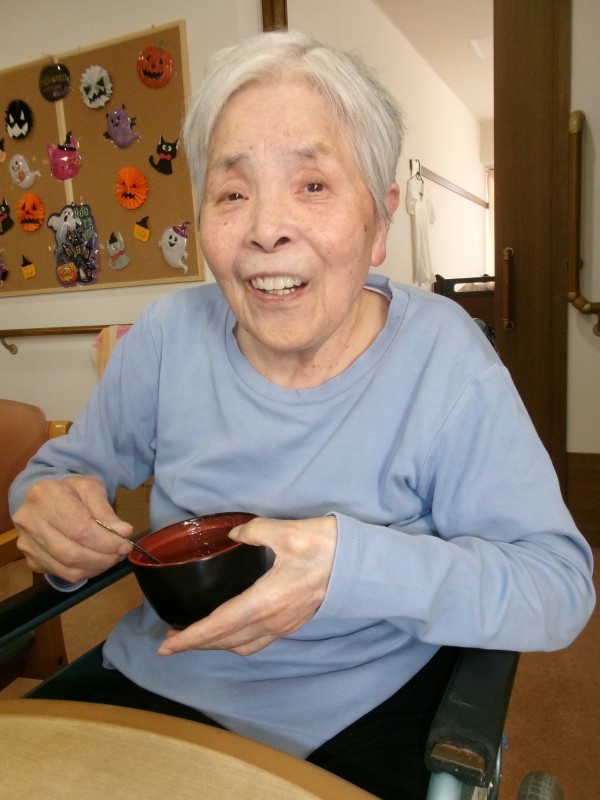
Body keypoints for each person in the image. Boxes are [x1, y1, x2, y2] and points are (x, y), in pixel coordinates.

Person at [10, 31, 595, 800]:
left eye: (312, 184)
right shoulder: (165, 337)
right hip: (159, 675)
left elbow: (555, 586)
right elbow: (62, 472)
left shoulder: (443, 357)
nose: (265, 229)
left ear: (380, 223)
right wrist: (48, 509)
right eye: (232, 193)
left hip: (365, 705)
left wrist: (350, 570)